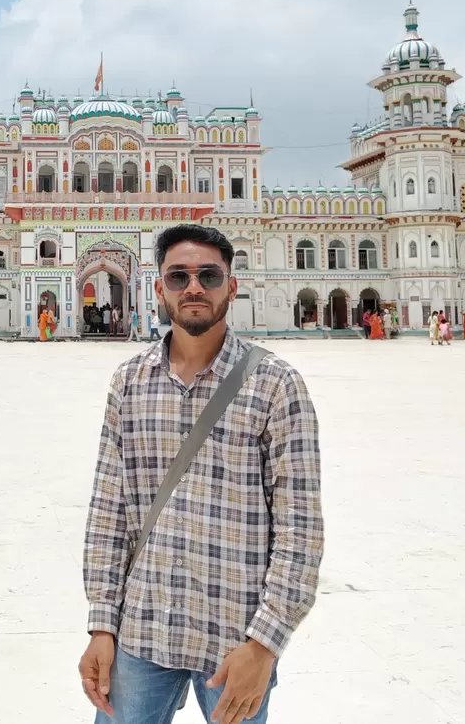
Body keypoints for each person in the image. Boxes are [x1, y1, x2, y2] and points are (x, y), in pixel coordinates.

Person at [79, 224, 322, 724]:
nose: (194, 287)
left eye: (209, 276)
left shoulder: (276, 385)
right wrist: (102, 624)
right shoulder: (129, 382)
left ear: (232, 286)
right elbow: (108, 511)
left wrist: (265, 644)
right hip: (143, 630)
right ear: (158, 287)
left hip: (235, 637)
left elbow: (301, 529)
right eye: (179, 276)